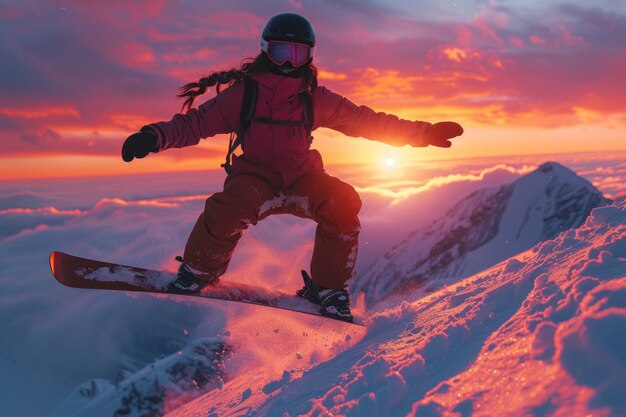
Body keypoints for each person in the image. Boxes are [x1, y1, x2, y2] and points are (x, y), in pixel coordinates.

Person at [121, 13, 463, 322]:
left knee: (342, 201)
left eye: (297, 54)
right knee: (228, 208)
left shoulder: (314, 97)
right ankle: (198, 270)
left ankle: (327, 289)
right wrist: (154, 137)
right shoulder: (244, 94)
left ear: (309, 57)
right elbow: (196, 123)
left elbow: (366, 122)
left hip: (303, 179)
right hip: (255, 178)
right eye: (280, 51)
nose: (288, 62)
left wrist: (424, 133)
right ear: (265, 51)